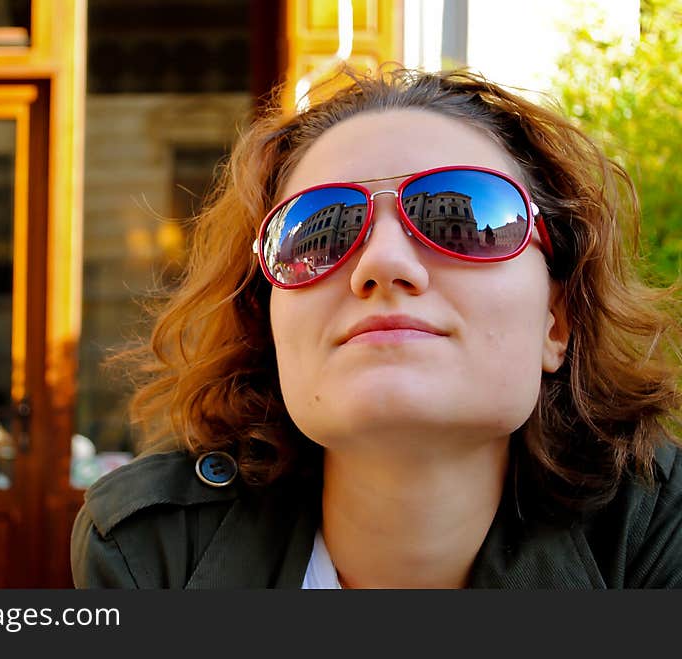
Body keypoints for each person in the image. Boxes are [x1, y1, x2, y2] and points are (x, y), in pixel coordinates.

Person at [71, 65, 682, 588]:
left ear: (558, 321)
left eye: (461, 219)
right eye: (320, 230)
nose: (383, 263)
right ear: (269, 322)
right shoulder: (152, 554)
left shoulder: (656, 532)